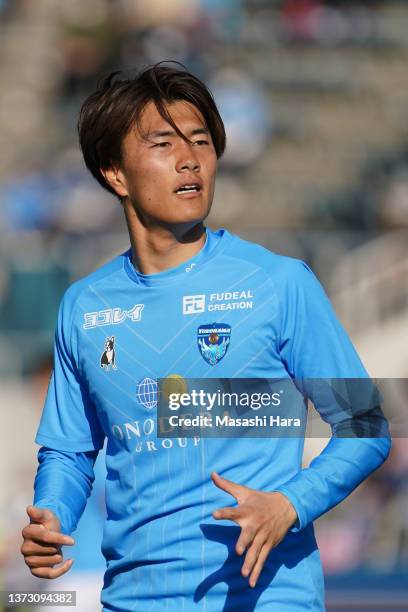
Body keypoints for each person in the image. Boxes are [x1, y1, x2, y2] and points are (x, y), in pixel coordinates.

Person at [21, 63, 391, 611]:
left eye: (201, 141)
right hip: (133, 599)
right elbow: (71, 452)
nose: (190, 158)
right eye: (163, 143)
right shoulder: (84, 306)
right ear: (115, 173)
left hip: (266, 597)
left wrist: (290, 505)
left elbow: (366, 424)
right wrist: (51, 514)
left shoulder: (278, 283)